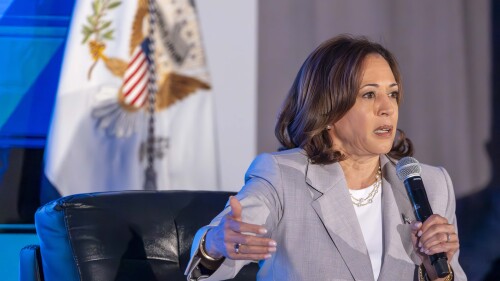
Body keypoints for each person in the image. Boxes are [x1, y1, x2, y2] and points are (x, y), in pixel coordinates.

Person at [185, 35, 467, 281]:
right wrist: (215, 244)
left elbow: (450, 274)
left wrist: (437, 273)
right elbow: (227, 241)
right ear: (330, 110)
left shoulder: (432, 185)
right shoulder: (282, 176)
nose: (387, 109)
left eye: (392, 94)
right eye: (369, 94)